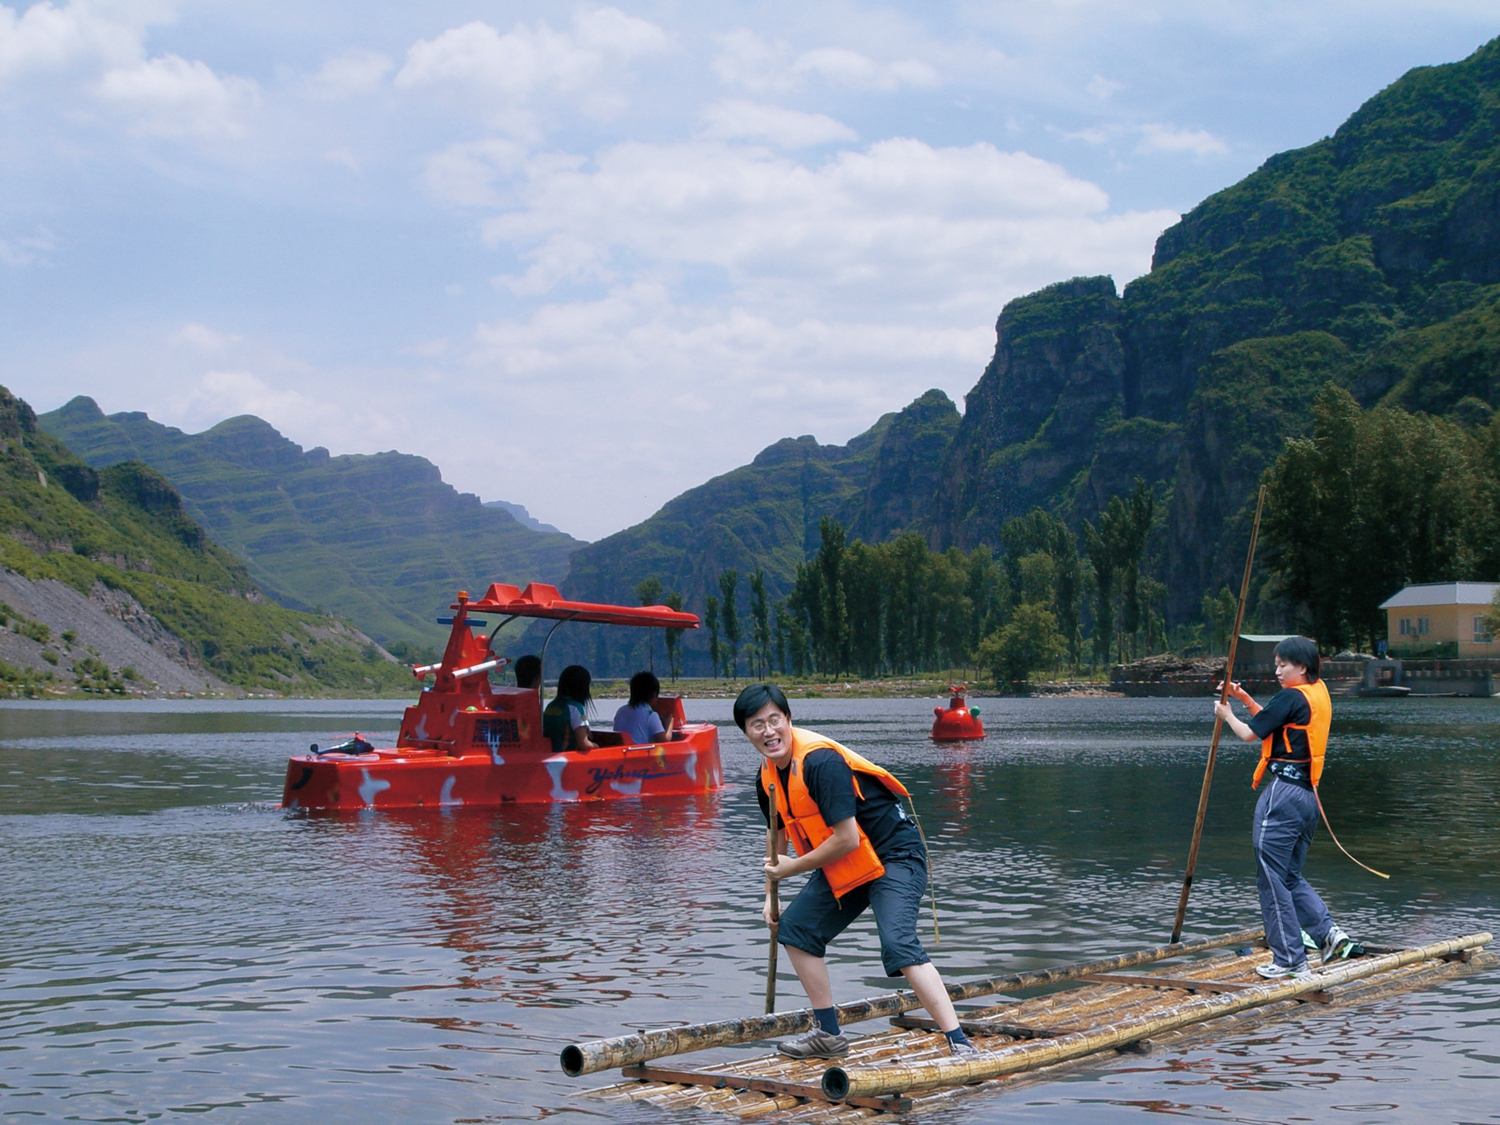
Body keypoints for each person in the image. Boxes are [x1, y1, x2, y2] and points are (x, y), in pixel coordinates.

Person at [735, 682, 977, 1060]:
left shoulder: (819, 762)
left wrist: (793, 868)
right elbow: (776, 842)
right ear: (745, 732)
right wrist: (770, 897)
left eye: (774, 720)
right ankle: (828, 1035)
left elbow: (846, 838)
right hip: (845, 859)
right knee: (796, 930)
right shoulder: (766, 779)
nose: (768, 732)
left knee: (898, 944)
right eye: (756, 725)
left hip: (895, 853)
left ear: (789, 720)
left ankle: (959, 1041)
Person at [1214, 636, 1360, 979]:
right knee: (1289, 874)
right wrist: (1245, 698)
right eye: (1276, 664)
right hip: (1308, 797)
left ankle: (1290, 959)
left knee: (1271, 876)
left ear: (1303, 667)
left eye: (1284, 665)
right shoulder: (1317, 692)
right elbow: (1272, 721)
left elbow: (1250, 734)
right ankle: (1328, 934)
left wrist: (1227, 713)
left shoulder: (1292, 696)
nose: (1277, 671)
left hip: (1283, 796)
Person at [543, 664, 598, 752]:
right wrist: (596, 746)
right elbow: (584, 744)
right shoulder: (576, 707)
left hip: (550, 755)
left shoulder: (551, 706)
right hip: (566, 756)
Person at [613, 670, 675, 744]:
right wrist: (669, 723)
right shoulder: (650, 714)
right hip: (637, 752)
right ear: (653, 695)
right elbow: (665, 741)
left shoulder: (621, 710)